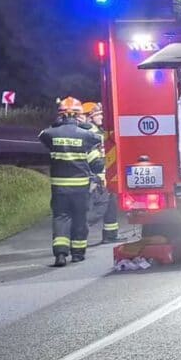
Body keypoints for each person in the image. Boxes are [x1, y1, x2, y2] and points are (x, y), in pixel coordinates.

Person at [39, 97, 105, 267]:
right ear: (78, 115)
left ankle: (60, 254)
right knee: (79, 219)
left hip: (59, 187)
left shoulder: (50, 134)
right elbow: (97, 157)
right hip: (81, 187)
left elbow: (42, 135)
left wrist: (57, 126)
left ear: (60, 115)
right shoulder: (86, 135)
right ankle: (78, 254)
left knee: (61, 218)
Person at [81, 101, 120, 243]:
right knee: (98, 210)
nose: (102, 117)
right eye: (98, 114)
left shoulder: (97, 130)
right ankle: (77, 230)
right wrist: (101, 169)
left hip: (106, 175)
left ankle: (110, 235)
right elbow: (92, 156)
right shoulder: (91, 132)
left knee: (111, 205)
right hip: (98, 176)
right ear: (89, 117)